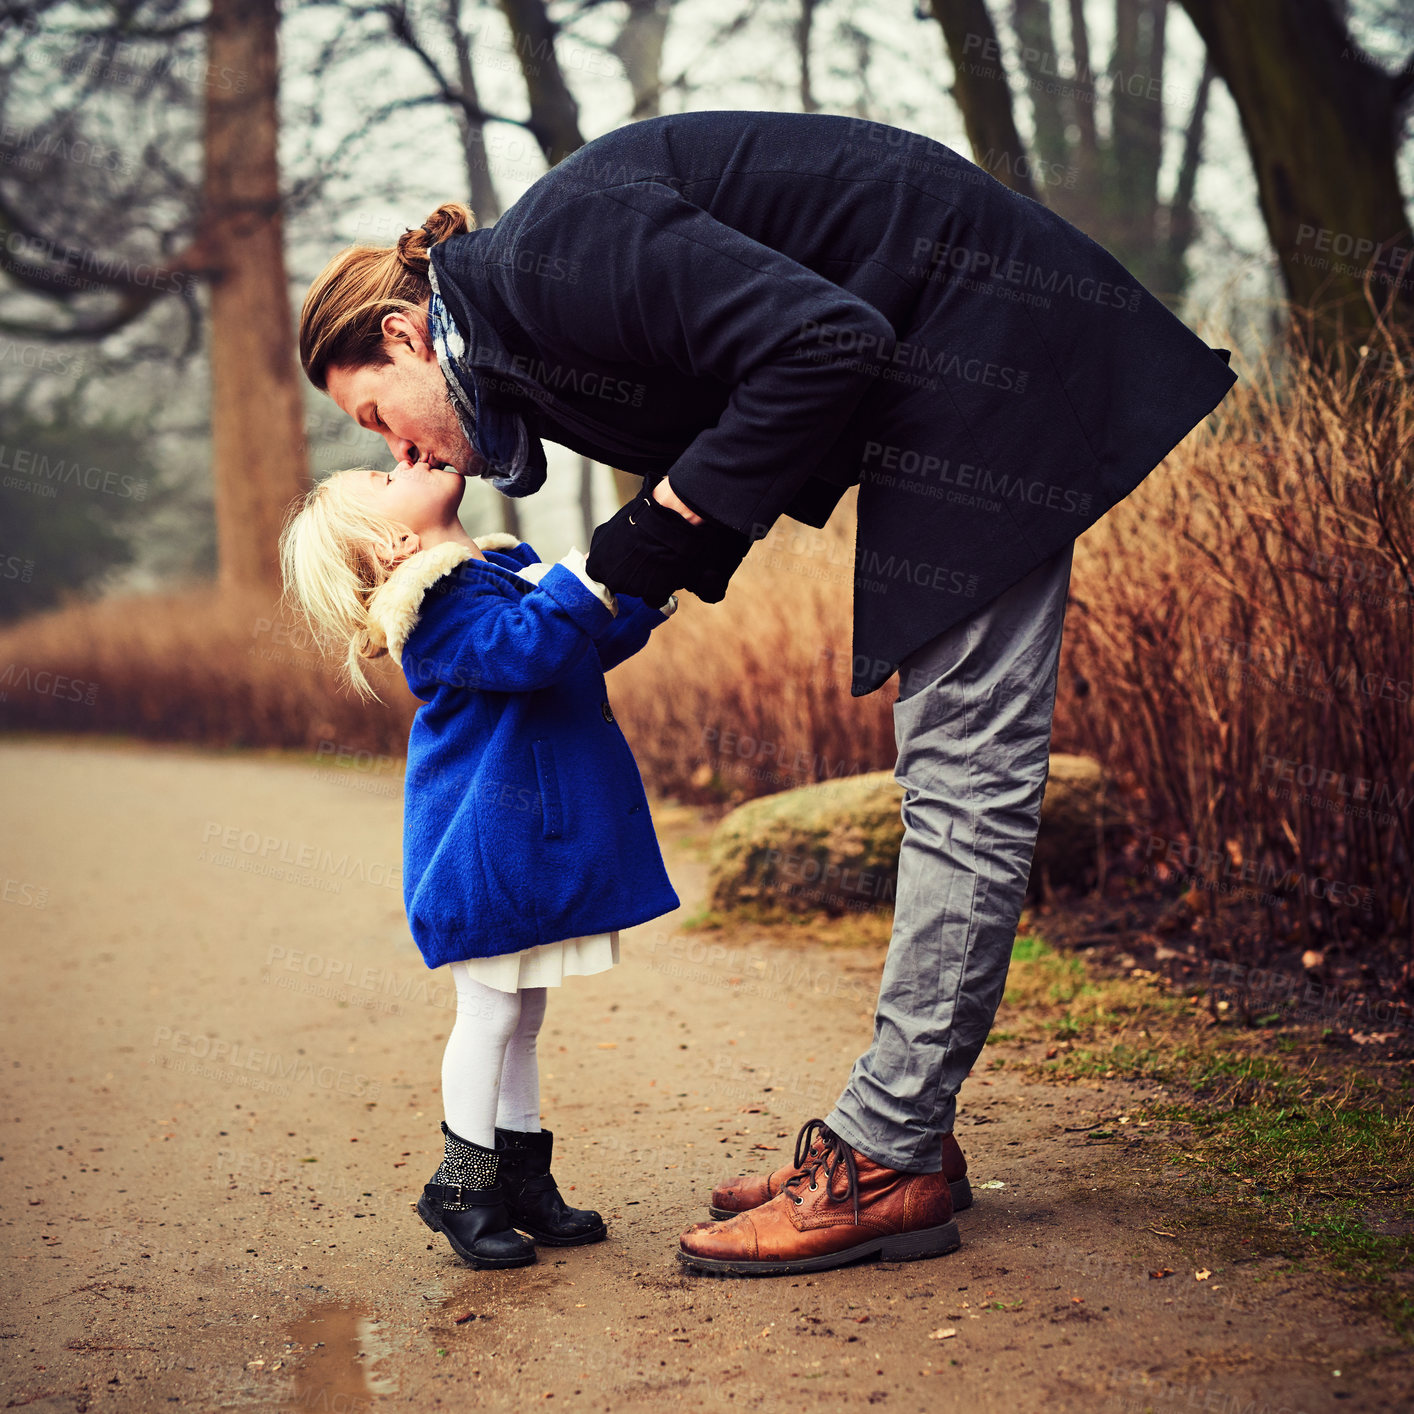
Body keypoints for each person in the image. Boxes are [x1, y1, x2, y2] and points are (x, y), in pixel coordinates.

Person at [297, 109, 1238, 1275]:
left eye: (377, 416)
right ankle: (905, 1137)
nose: (399, 452)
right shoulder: (535, 321)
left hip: (990, 359)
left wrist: (665, 522)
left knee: (961, 773)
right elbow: (757, 378)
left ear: (405, 334)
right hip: (944, 376)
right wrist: (657, 551)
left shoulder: (564, 255)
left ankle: (888, 1150)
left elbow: (822, 342)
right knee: (951, 767)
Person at [278, 456, 681, 1268]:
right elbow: (526, 649)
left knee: (522, 1013)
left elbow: (573, 649)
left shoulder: (491, 571)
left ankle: (523, 1175)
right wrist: (590, 572)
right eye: (384, 477)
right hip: (481, 849)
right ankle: (462, 1184)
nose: (406, 459)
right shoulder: (431, 608)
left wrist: (646, 585)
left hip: (519, 842)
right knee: (492, 1014)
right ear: (393, 545)